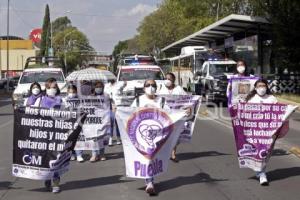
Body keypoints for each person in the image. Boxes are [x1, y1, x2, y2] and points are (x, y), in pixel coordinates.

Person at [131, 79, 168, 195]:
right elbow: (129, 115)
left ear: (156, 87)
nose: (150, 87)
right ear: (144, 88)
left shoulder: (161, 101)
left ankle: (150, 180)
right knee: (147, 158)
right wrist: (117, 111)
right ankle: (149, 182)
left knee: (154, 158)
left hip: (158, 136)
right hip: (141, 136)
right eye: (148, 85)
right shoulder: (137, 101)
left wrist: (183, 113)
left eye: (153, 85)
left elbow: (171, 115)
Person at [245, 79, 277, 186]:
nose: (262, 87)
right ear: (255, 87)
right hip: (255, 131)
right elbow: (245, 113)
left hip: (269, 131)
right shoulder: (251, 99)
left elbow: (279, 111)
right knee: (260, 152)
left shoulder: (272, 99)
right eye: (259, 85)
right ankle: (261, 173)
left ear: (267, 87)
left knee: (266, 152)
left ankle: (260, 171)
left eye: (264, 85)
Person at [39, 78, 62, 193]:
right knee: (47, 159)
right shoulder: (42, 101)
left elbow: (67, 114)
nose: (52, 89)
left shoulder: (61, 100)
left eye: (54, 87)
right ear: (46, 88)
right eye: (50, 87)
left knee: (56, 158)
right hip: (45, 133)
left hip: (58, 134)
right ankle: (47, 180)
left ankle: (56, 182)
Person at [157, 72, 187, 162]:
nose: (167, 80)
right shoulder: (161, 89)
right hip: (165, 116)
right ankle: (163, 152)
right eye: (166, 78)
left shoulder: (179, 89)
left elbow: (187, 99)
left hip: (177, 116)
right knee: (164, 135)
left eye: (169, 79)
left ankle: (173, 154)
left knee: (175, 135)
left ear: (173, 80)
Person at [62, 85, 81, 162]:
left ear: (76, 92)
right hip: (69, 121)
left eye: (73, 92)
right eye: (70, 92)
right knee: (70, 138)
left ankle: (79, 154)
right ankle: (71, 154)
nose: (72, 93)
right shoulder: (65, 99)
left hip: (78, 120)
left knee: (79, 138)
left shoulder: (79, 99)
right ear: (67, 92)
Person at [104, 79, 121, 146]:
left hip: (117, 106)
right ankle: (110, 139)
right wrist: (109, 97)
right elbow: (104, 95)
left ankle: (118, 138)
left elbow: (121, 93)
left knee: (118, 123)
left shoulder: (119, 85)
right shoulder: (106, 86)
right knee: (110, 123)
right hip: (109, 106)